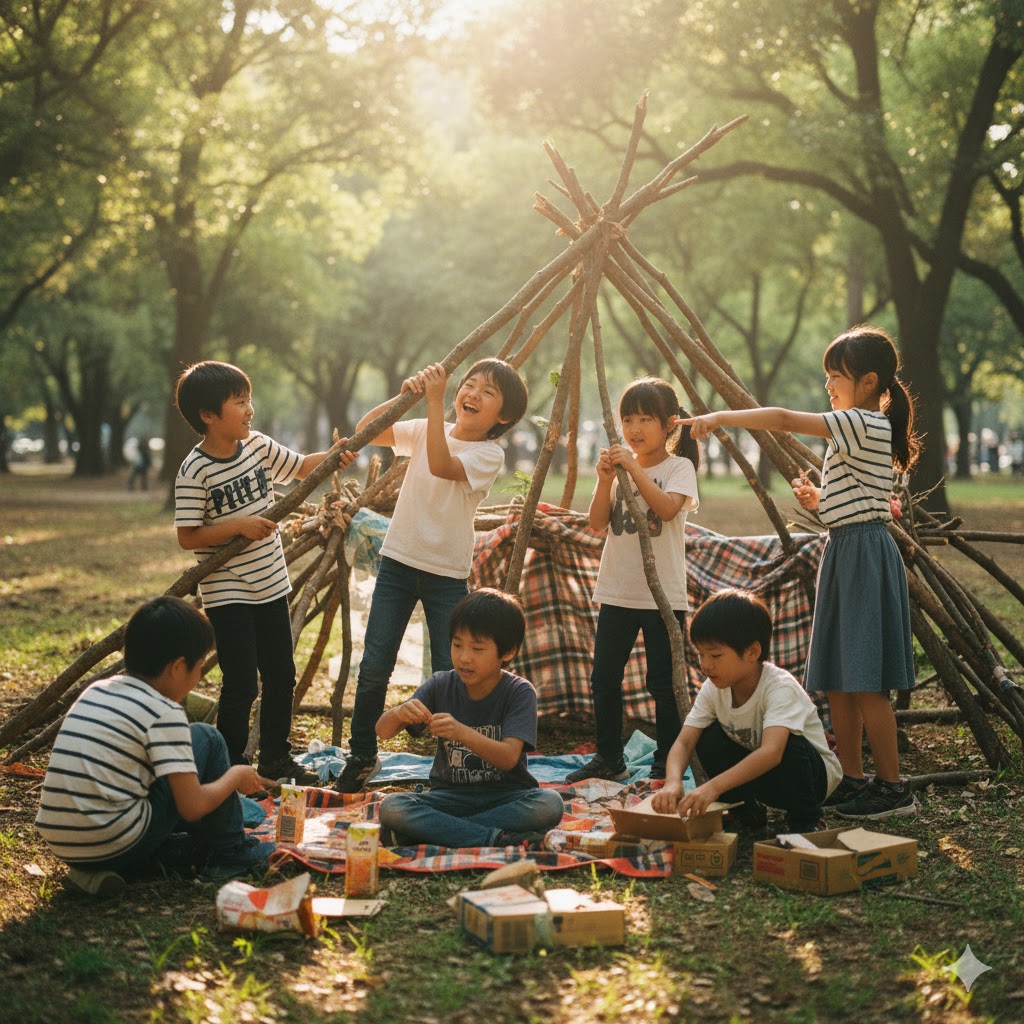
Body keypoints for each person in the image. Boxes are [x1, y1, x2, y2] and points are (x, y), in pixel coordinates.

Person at [683, 325, 920, 820]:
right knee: (839, 677)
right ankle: (854, 779)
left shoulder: (860, 421)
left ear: (870, 381)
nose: (829, 385)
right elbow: (855, 500)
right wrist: (821, 501)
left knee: (867, 681)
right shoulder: (857, 425)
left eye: (837, 376)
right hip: (843, 548)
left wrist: (722, 415)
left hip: (863, 556)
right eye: (827, 376)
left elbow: (785, 418)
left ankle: (894, 789)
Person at [336, 359, 529, 793]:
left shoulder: (487, 453)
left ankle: (453, 766)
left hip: (445, 574)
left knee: (455, 672)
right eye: (470, 384)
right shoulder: (426, 425)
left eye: (488, 392)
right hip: (399, 564)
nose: (473, 394)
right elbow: (369, 429)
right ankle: (362, 754)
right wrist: (405, 396)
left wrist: (436, 403)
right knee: (374, 666)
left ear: (503, 416)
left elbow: (442, 466)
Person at [173, 360, 356, 784]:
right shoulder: (194, 470)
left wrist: (332, 457)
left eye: (248, 399)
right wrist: (238, 526)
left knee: (281, 674)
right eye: (239, 402)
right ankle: (231, 767)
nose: (249, 409)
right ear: (208, 415)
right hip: (228, 591)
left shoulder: (256, 445)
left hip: (271, 583)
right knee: (240, 683)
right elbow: (188, 536)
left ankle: (275, 757)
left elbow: (299, 466)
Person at [35, 596, 276, 896]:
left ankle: (100, 869)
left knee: (193, 832)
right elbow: (192, 807)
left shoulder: (95, 691)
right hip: (113, 841)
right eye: (199, 666)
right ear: (177, 667)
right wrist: (235, 777)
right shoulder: (164, 712)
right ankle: (232, 852)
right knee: (207, 738)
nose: (198, 677)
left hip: (64, 842)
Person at [565, 377, 700, 784]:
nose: (635, 428)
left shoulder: (680, 467)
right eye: (628, 419)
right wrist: (606, 477)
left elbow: (667, 509)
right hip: (617, 590)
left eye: (646, 418)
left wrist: (631, 469)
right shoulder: (621, 470)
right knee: (604, 678)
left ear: (670, 423)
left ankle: (666, 760)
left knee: (662, 683)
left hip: (663, 596)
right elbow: (596, 523)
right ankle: (609, 757)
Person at [376, 588, 565, 848]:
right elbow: (383, 732)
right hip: (449, 798)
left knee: (549, 804)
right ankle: (494, 838)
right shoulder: (441, 684)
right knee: (392, 807)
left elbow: (509, 758)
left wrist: (461, 732)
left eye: (477, 648)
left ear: (507, 652)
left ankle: (437, 831)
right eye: (457, 645)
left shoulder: (519, 692)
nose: (464, 657)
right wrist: (398, 713)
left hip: (507, 797)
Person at [651, 589, 842, 832]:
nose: (706, 664)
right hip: (764, 777)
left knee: (789, 745)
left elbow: (772, 753)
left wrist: (712, 787)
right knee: (706, 735)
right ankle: (746, 811)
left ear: (752, 652)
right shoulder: (713, 688)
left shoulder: (780, 687)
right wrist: (673, 782)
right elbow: (684, 743)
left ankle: (807, 820)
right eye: (701, 654)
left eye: (716, 655)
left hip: (813, 780)